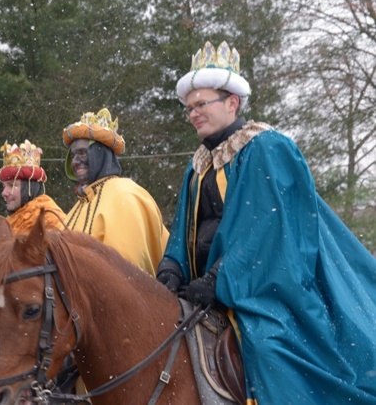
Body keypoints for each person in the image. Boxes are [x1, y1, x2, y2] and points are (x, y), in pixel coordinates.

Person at [155, 41, 376, 404]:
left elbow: (268, 234)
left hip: (263, 289)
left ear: (232, 102)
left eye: (201, 104)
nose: (193, 113)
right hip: (207, 288)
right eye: (189, 108)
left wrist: (219, 280)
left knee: (268, 348)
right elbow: (182, 229)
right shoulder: (198, 164)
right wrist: (172, 268)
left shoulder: (267, 148)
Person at [62, 108, 169, 276]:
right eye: (73, 155)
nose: (75, 162)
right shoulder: (76, 209)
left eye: (82, 153)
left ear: (100, 154)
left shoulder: (125, 194)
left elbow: (126, 277)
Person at [0, 139, 66, 233]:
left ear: (30, 187)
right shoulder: (11, 221)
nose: (4, 193)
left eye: (12, 185)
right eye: (3, 186)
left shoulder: (50, 219)